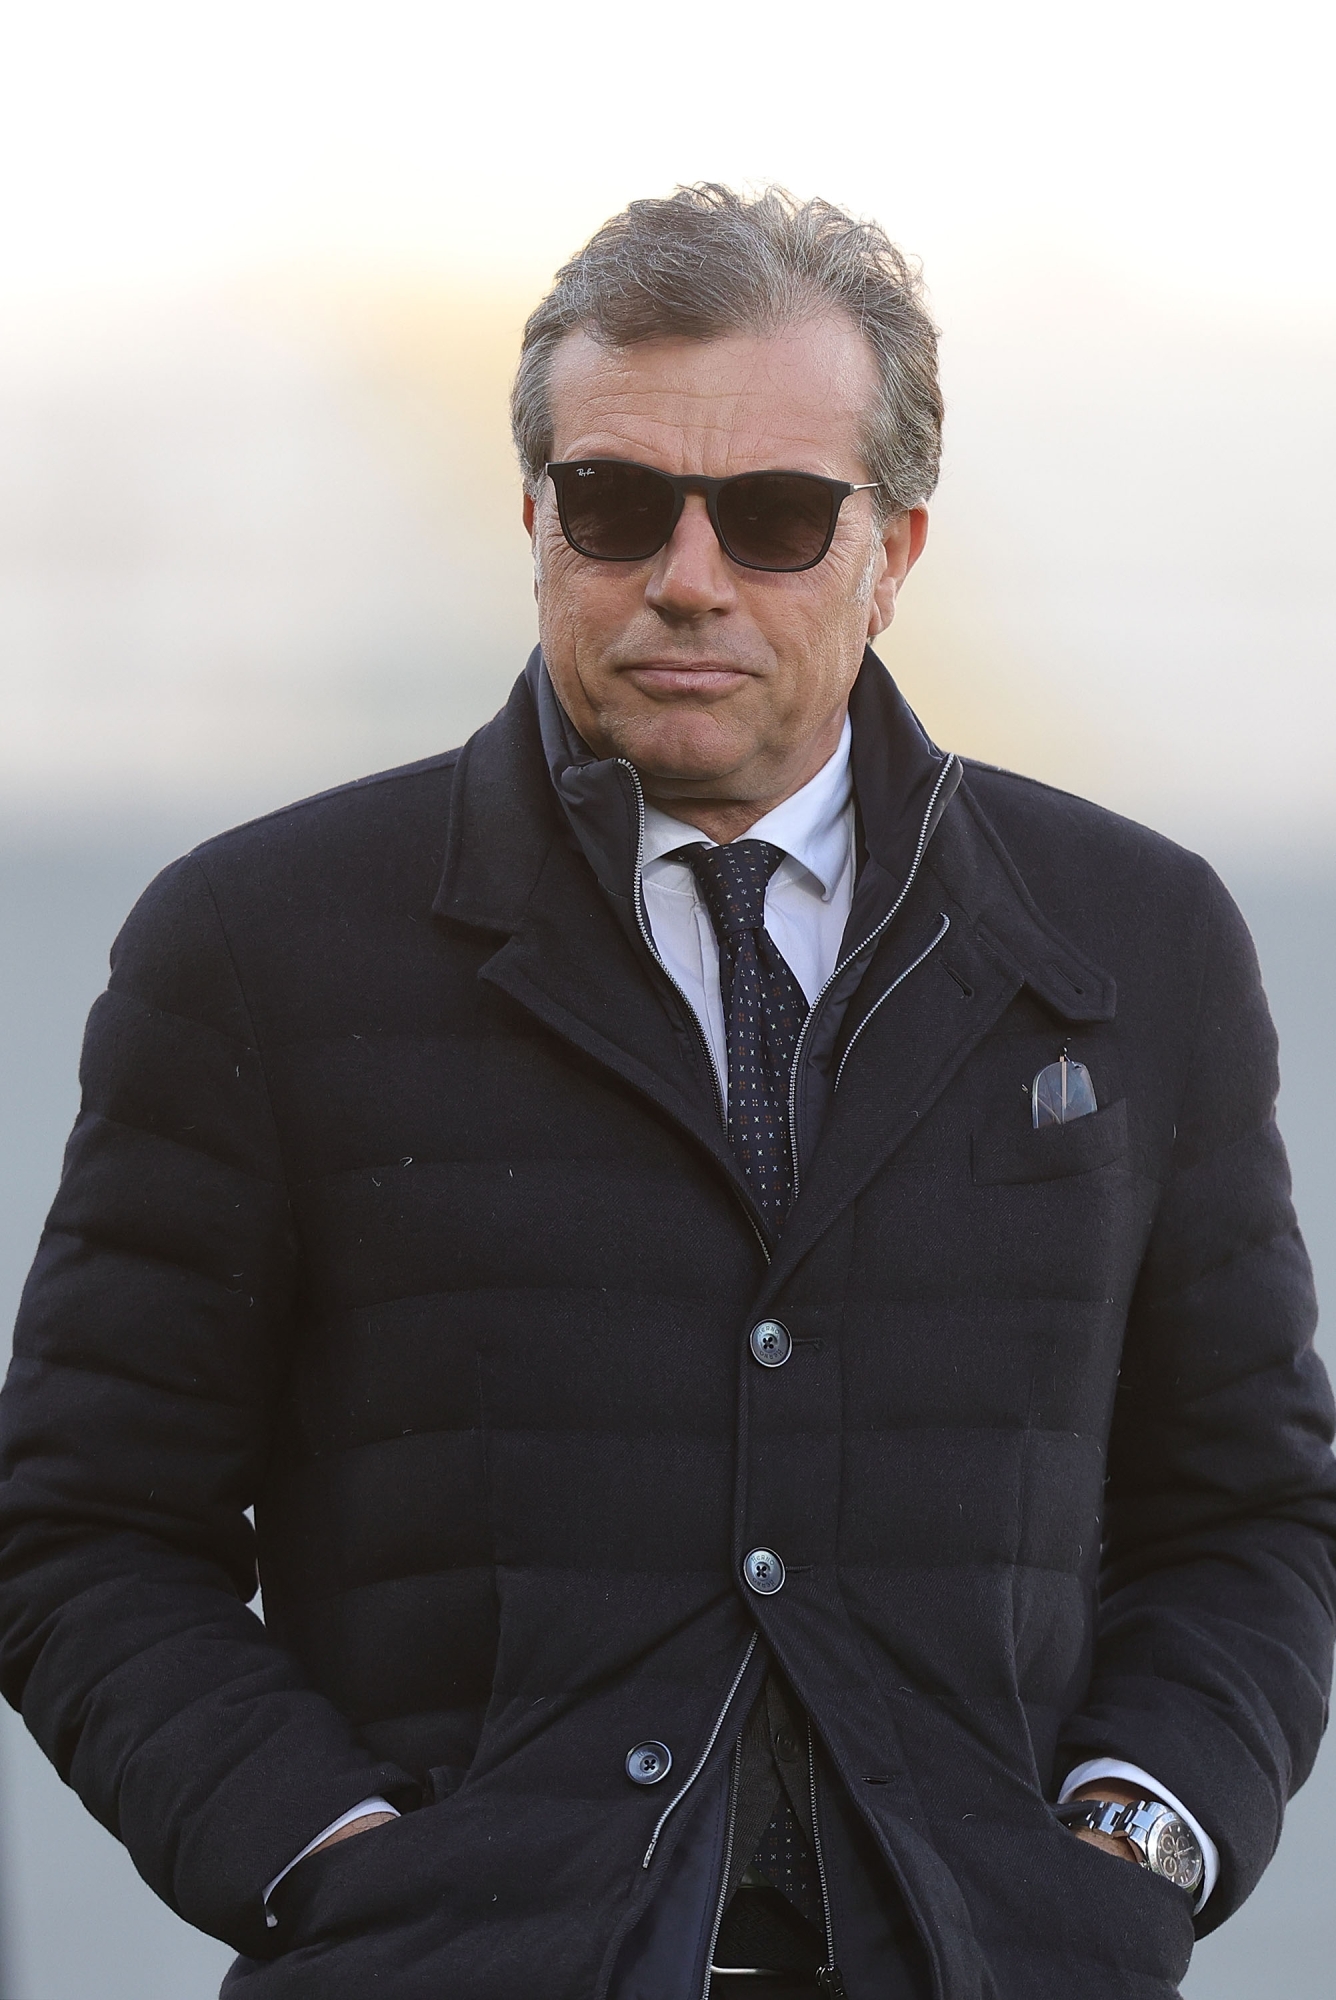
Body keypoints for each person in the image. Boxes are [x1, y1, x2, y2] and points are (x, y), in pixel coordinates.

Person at [0, 183, 1333, 2000]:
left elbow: (1252, 1512)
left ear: (899, 549)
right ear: (536, 519)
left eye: (778, 518)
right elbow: (83, 1525)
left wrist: (1135, 1842)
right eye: (619, 504)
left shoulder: (1136, 940)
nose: (686, 577)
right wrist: (333, 1867)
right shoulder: (254, 943)